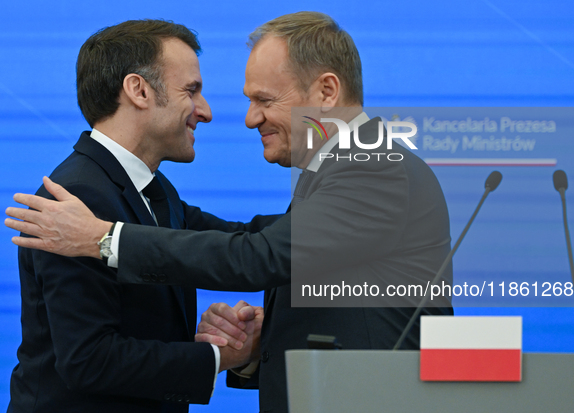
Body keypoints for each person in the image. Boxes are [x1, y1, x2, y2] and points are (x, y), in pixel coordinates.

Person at [5, 12, 453, 413]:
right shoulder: (88, 195)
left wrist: (104, 239)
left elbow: (258, 256)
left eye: (264, 99)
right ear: (138, 90)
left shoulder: (369, 168)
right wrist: (257, 343)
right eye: (193, 90)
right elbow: (251, 242)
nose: (247, 118)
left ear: (327, 91)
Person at [5, 19, 263, 413]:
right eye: (191, 91)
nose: (205, 112)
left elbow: (243, 242)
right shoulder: (78, 199)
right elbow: (90, 360)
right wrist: (221, 356)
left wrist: (345, 222)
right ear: (139, 90)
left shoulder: (154, 190)